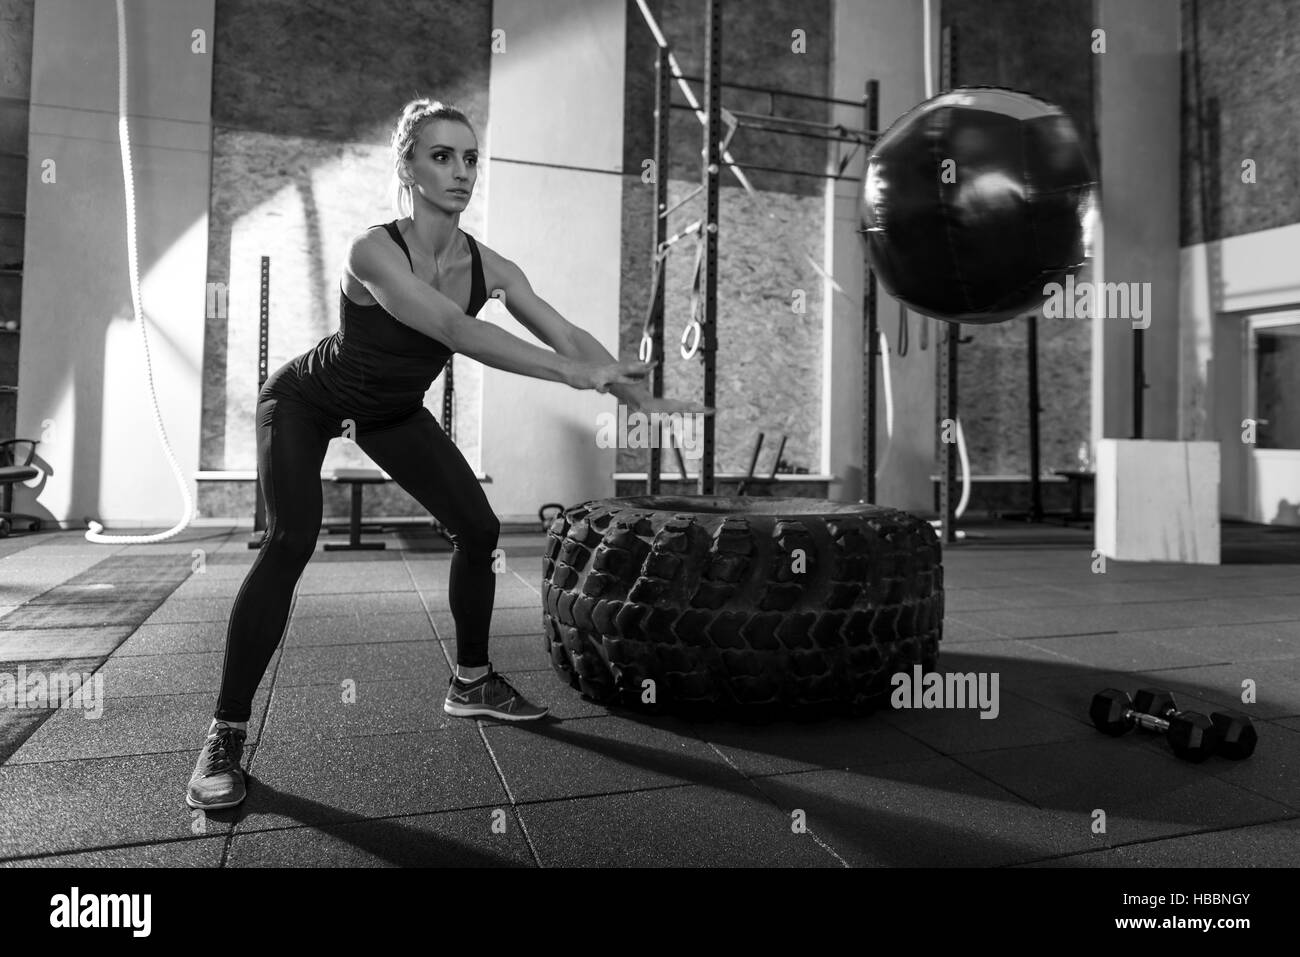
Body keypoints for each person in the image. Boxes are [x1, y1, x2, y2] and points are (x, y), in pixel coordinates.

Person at [187, 98, 705, 811]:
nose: (461, 171)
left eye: (469, 157)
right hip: (308, 401)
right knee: (290, 539)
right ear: (407, 166)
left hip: (391, 413)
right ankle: (225, 731)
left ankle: (471, 680)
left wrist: (624, 388)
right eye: (441, 156)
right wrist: (571, 374)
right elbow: (452, 329)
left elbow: (563, 332)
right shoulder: (372, 249)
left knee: (480, 528)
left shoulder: (489, 264)